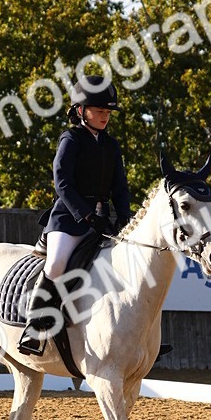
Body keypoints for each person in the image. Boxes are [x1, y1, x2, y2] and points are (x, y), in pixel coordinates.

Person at [18, 74, 132, 355]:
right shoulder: (71, 139)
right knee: (56, 264)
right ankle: (33, 327)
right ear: (81, 110)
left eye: (108, 112)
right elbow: (63, 183)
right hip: (68, 219)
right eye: (100, 111)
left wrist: (125, 219)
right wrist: (84, 215)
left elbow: (120, 187)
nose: (105, 117)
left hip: (102, 221)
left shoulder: (111, 145)